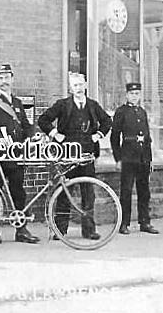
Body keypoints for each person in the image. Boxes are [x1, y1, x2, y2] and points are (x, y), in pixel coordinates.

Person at [37, 72, 111, 241]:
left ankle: (89, 230)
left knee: (88, 193)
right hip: (67, 156)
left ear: (85, 85)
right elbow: (43, 120)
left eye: (80, 84)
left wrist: (98, 135)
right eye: (75, 85)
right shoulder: (62, 105)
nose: (78, 88)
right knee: (64, 193)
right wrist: (55, 134)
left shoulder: (92, 105)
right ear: (70, 88)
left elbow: (107, 121)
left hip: (86, 156)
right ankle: (60, 230)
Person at [0, 63, 41, 245]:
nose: (4, 81)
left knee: (18, 192)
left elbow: (25, 125)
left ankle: (21, 230)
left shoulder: (17, 103)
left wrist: (33, 134)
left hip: (15, 155)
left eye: (7, 77)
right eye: (0, 78)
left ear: (12, 79)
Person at [110, 82, 159, 235]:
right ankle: (124, 223)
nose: (134, 96)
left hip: (143, 158)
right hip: (128, 157)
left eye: (137, 93)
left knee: (144, 191)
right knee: (126, 191)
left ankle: (145, 222)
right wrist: (118, 158)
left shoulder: (142, 112)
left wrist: (149, 159)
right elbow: (114, 137)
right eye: (132, 93)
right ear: (126, 95)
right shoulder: (121, 112)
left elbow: (148, 138)